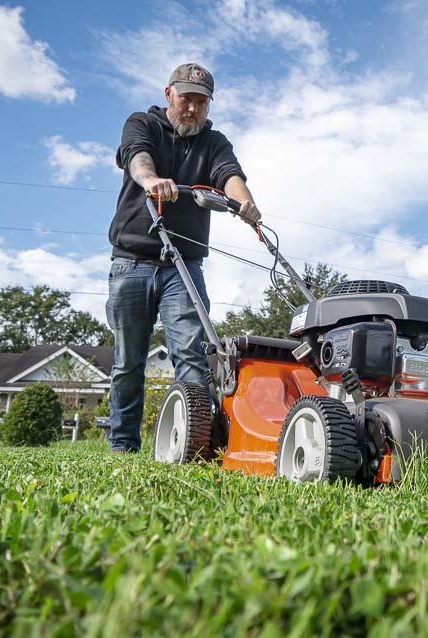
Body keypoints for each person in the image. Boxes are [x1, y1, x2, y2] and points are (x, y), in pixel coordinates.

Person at [106, 62, 260, 453]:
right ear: (168, 94)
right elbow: (136, 156)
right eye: (186, 99)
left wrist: (244, 201)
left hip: (184, 265)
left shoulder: (214, 141)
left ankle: (193, 444)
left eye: (201, 102)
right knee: (129, 361)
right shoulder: (142, 123)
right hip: (132, 259)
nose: (192, 109)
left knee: (192, 354)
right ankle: (123, 445)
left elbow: (228, 172)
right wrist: (149, 179)